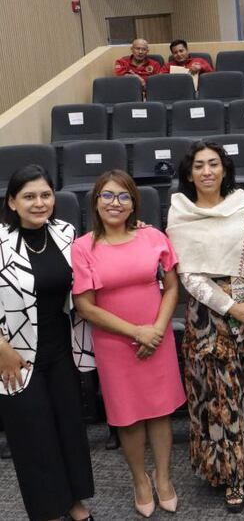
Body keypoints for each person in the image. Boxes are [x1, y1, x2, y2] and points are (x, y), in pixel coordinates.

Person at [166, 141, 244, 513]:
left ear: (225, 169)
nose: (207, 171)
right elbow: (188, 274)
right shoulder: (180, 213)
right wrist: (230, 307)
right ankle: (231, 472)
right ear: (189, 173)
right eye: (199, 166)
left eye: (214, 164)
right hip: (210, 316)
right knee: (221, 397)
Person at [71, 171, 184, 517]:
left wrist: (157, 329)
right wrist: (138, 333)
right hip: (116, 343)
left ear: (134, 202)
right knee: (129, 417)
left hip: (158, 334)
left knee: (161, 411)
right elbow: (85, 305)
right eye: (107, 196)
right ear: (96, 202)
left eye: (123, 196)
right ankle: (139, 480)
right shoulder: (83, 247)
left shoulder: (152, 236)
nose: (115, 203)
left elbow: (172, 287)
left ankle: (163, 478)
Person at [0, 166, 96, 521]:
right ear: (12, 202)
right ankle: (48, 511)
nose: (39, 203)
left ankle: (74, 503)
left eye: (45, 195)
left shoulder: (66, 232)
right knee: (33, 436)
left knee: (68, 427)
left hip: (62, 349)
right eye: (28, 196)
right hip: (15, 356)